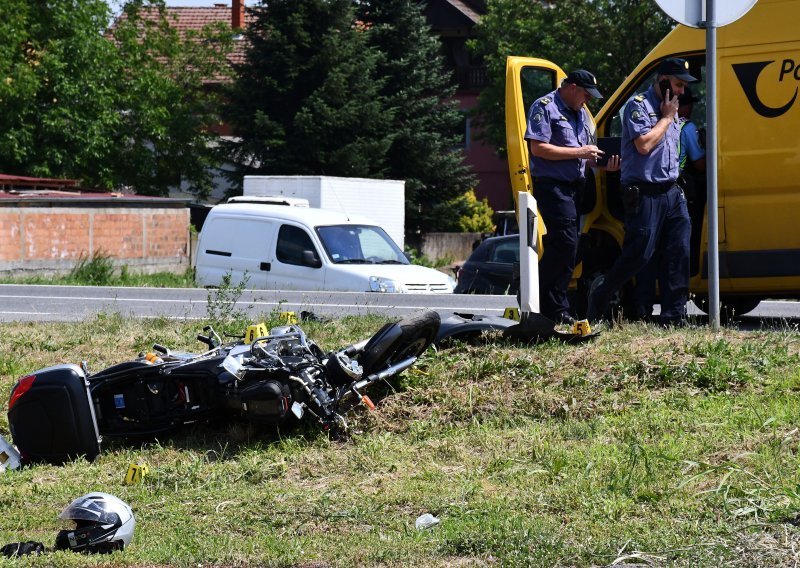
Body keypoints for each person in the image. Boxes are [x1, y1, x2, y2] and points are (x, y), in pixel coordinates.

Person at [587, 57, 696, 325]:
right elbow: (644, 145)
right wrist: (668, 118)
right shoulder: (638, 105)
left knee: (678, 253)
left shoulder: (672, 107)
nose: (681, 91)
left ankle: (674, 315)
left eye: (683, 86)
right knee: (640, 255)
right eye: (678, 84)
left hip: (672, 192)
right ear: (662, 81)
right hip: (644, 193)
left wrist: (671, 116)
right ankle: (601, 297)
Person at [524, 69, 620, 324]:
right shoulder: (545, 107)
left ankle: (542, 301)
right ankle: (555, 307)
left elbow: (582, 155)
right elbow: (538, 148)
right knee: (566, 243)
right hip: (552, 185)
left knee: (567, 246)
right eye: (586, 95)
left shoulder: (581, 114)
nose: (587, 100)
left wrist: (601, 163)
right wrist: (580, 152)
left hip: (576, 186)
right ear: (573, 87)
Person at [632, 86, 706, 321]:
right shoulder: (686, 126)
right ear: (679, 105)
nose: (690, 108)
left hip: (663, 190)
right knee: (675, 252)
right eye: (689, 104)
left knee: (652, 252)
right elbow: (700, 164)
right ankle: (673, 311)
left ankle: (644, 311)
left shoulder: (673, 123)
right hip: (678, 189)